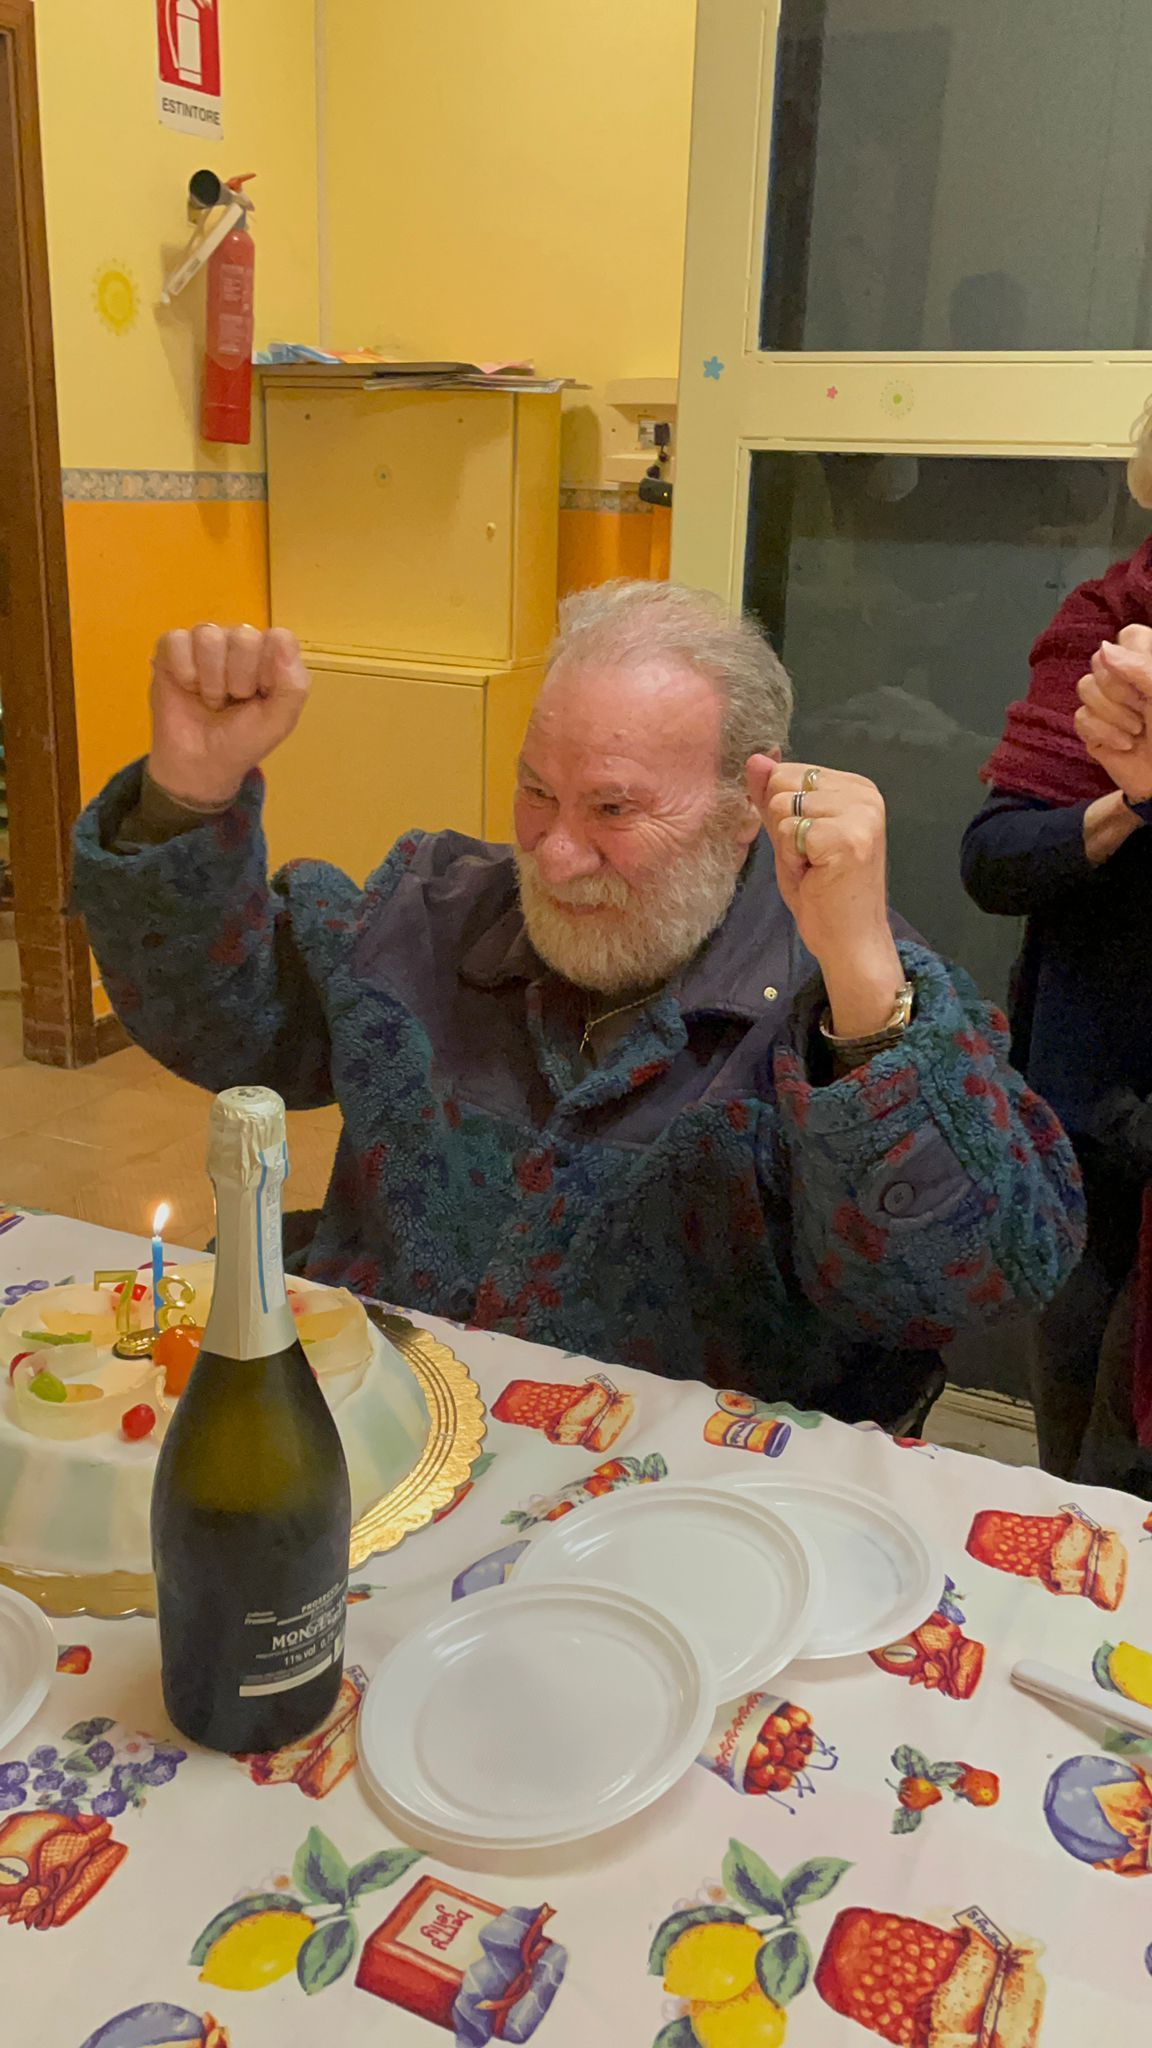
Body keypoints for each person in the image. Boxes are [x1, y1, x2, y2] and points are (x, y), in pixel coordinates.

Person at [73, 581, 1083, 1431]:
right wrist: (189, 795)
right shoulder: (429, 910)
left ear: (746, 809)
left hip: (680, 1506)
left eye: (612, 807)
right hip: (382, 1428)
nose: (554, 855)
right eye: (534, 792)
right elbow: (224, 1019)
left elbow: (975, 1277)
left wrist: (865, 984)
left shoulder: (849, 976)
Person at [962, 497, 1152, 1479]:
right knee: (1077, 1418)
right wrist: (1127, 806)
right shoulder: (1103, 626)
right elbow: (992, 861)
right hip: (1087, 1099)